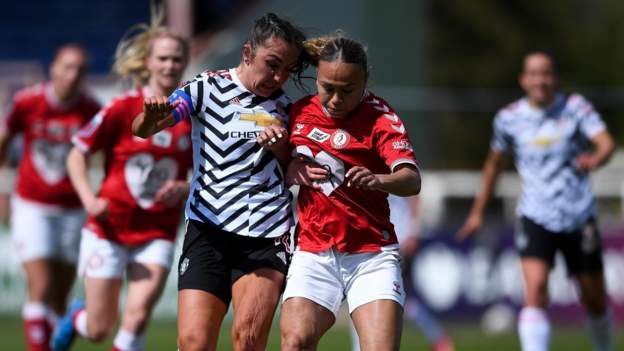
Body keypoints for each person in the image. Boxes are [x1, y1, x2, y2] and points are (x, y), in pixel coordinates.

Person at [131, 13, 309, 351]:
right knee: (194, 342)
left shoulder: (288, 108)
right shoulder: (206, 87)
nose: (278, 76)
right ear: (247, 53)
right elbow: (145, 128)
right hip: (207, 229)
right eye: (272, 64)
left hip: (265, 233)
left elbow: (293, 170)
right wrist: (149, 120)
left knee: (248, 340)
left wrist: (281, 147)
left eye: (287, 69)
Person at [458, 51, 615, 351]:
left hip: (578, 215)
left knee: (593, 297)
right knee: (536, 289)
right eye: (533, 74)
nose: (540, 80)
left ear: (555, 78)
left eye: (546, 73)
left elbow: (606, 143)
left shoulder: (575, 108)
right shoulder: (508, 119)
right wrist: (477, 212)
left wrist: (594, 159)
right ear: (523, 79)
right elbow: (494, 165)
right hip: (535, 215)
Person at [50, 21, 192, 351]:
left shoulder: (193, 112)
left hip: (157, 231)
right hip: (109, 228)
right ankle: (76, 319)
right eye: (163, 58)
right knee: (99, 329)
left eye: (176, 59)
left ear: (185, 62)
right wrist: (89, 200)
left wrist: (184, 188)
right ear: (147, 62)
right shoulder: (122, 107)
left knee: (137, 318)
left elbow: (205, 170)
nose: (169, 65)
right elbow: (76, 153)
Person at [276, 34, 421, 351]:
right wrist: (288, 168)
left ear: (365, 81)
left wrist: (379, 180)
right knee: (295, 341)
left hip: (371, 256)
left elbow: (411, 180)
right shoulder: (297, 114)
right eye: (327, 88)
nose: (335, 99)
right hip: (313, 253)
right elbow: (275, 166)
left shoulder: (382, 119)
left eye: (347, 90)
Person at [0, 44, 100, 351]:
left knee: (59, 297)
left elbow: (104, 155)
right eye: (67, 67)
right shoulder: (27, 102)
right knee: (40, 287)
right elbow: (4, 141)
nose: (72, 75)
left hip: (71, 210)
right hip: (32, 205)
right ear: (53, 68)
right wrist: (3, 188)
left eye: (79, 70)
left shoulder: (91, 110)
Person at [350, 194, 455, 351]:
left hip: (396, 241)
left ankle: (438, 337)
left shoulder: (393, 171)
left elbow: (414, 193)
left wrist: (412, 229)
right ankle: (438, 337)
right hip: (373, 239)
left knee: (395, 300)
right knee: (369, 296)